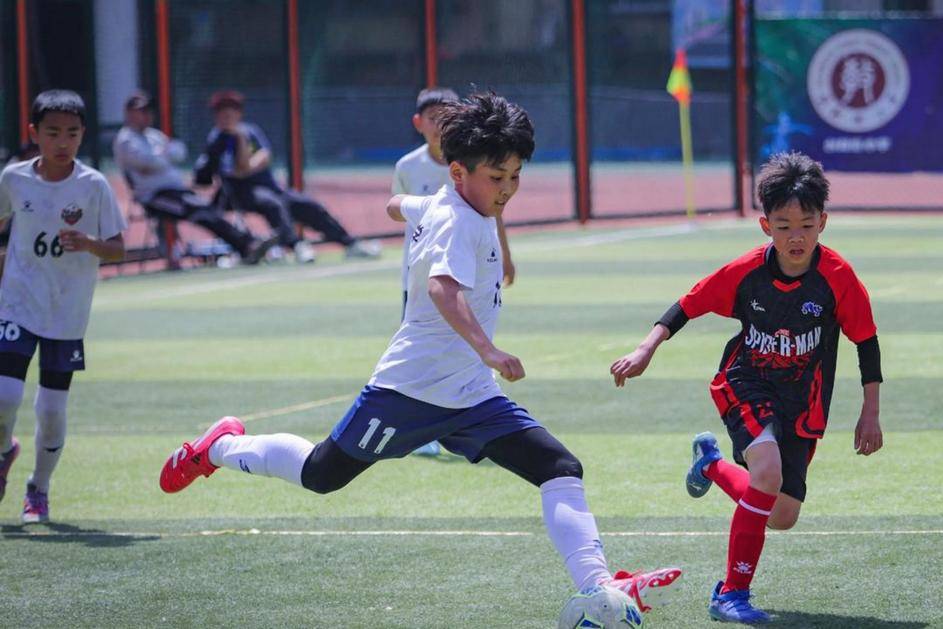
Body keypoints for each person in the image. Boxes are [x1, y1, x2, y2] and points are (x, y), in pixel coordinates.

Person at [159, 93, 682, 612]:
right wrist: (489, 350)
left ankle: (598, 586)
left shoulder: (451, 204)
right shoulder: (459, 221)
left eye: (515, 175)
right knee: (321, 474)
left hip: (471, 396)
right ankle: (219, 448)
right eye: (496, 177)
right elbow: (441, 289)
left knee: (559, 466)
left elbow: (396, 205)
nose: (507, 189)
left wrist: (413, 209)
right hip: (409, 391)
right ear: (458, 172)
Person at [611, 151, 884, 624]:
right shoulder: (747, 272)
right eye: (783, 226)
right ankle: (731, 594)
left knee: (781, 514)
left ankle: (711, 465)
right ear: (765, 226)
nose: (796, 236)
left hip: (802, 401)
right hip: (746, 382)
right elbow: (688, 304)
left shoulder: (838, 278)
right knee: (768, 471)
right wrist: (645, 349)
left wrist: (870, 412)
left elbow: (866, 342)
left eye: (806, 225)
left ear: (823, 222)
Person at [0, 90, 126, 523]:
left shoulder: (93, 185)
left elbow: (118, 249)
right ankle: (4, 452)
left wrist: (89, 243)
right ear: (34, 133)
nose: (62, 142)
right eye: (52, 132)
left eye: (72, 133)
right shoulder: (13, 178)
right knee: (4, 395)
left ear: (82, 135)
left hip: (67, 311)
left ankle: (38, 488)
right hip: (17, 303)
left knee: (51, 410)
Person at [394, 87, 518, 458]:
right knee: (430, 349)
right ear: (418, 123)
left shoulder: (481, 162)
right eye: (433, 118)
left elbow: (494, 213)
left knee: (464, 348)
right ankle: (426, 428)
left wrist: (505, 255)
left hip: (474, 269)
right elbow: (395, 204)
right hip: (425, 271)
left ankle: (468, 418)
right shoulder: (410, 167)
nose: (439, 125)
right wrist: (424, 210)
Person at [194, 90, 380, 263]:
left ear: (239, 114)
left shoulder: (250, 132)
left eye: (231, 112)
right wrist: (241, 146)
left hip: (269, 187)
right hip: (241, 194)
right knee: (273, 205)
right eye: (222, 114)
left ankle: (349, 243)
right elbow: (239, 170)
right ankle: (296, 245)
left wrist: (245, 146)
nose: (227, 117)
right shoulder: (217, 140)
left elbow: (263, 157)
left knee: (308, 205)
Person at [113, 91, 275, 266]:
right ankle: (247, 246)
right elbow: (149, 162)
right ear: (129, 113)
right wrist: (165, 155)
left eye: (148, 110)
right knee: (200, 212)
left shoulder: (154, 136)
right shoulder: (126, 139)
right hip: (154, 196)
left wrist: (161, 156)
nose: (147, 115)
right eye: (141, 111)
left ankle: (249, 244)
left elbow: (180, 152)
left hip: (177, 191)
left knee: (206, 208)